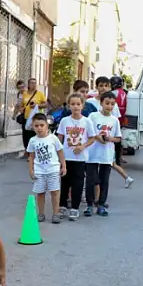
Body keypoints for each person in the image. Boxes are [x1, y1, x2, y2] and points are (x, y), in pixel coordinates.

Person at [56, 93, 98, 221]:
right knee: (64, 182)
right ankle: (62, 205)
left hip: (80, 158)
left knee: (78, 184)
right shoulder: (64, 121)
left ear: (82, 106)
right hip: (66, 158)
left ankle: (74, 208)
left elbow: (92, 138)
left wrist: (82, 146)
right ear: (69, 106)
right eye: (72, 104)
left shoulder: (86, 121)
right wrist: (59, 156)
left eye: (78, 104)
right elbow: (59, 139)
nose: (75, 107)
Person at [86, 92, 122, 217]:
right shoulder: (93, 116)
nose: (109, 106)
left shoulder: (114, 120)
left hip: (106, 155)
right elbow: (88, 132)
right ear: (101, 103)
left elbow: (118, 138)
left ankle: (101, 204)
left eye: (112, 104)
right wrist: (97, 137)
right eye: (107, 103)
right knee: (91, 180)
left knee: (104, 181)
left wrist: (109, 139)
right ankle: (89, 205)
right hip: (92, 154)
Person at [26, 113, 65, 224]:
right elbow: (31, 156)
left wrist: (64, 166)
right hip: (39, 171)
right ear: (32, 126)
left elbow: (60, 152)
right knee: (40, 192)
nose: (39, 128)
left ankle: (56, 213)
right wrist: (31, 170)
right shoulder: (33, 141)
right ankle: (41, 213)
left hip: (53, 169)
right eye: (36, 125)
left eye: (41, 125)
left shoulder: (53, 138)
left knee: (55, 192)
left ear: (47, 126)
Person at [109, 75, 135, 189]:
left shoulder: (113, 94)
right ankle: (118, 159)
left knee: (112, 145)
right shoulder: (124, 93)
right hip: (120, 120)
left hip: (112, 122)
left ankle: (116, 161)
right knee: (118, 142)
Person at [18, 78, 46, 157]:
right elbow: (21, 104)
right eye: (32, 83)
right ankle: (28, 151)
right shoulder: (25, 94)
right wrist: (21, 108)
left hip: (37, 119)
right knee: (26, 135)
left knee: (36, 135)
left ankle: (35, 153)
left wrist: (37, 106)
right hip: (27, 118)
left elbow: (46, 104)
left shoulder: (39, 94)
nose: (34, 85)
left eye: (35, 83)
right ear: (29, 85)